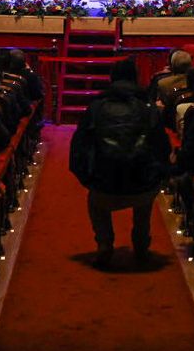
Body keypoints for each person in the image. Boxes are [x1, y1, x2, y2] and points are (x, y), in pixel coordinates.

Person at [69, 57, 169, 268]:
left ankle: (104, 243)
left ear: (111, 79)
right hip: (143, 185)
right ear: (136, 79)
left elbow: (78, 148)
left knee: (95, 202)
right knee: (145, 201)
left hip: (104, 185)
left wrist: (88, 179)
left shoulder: (96, 108)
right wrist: (158, 175)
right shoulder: (149, 108)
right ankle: (141, 244)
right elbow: (162, 148)